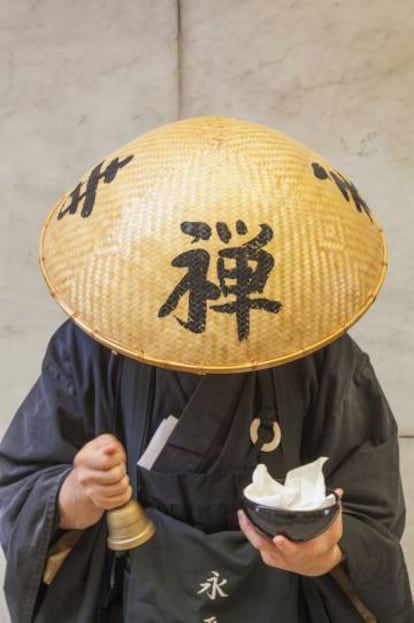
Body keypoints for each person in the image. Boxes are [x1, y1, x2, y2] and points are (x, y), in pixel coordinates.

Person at [1, 116, 413, 622]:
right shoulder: (94, 347)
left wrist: (327, 548)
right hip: (127, 602)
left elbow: (371, 512)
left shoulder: (321, 353)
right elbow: (20, 488)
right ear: (147, 252)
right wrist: (76, 495)